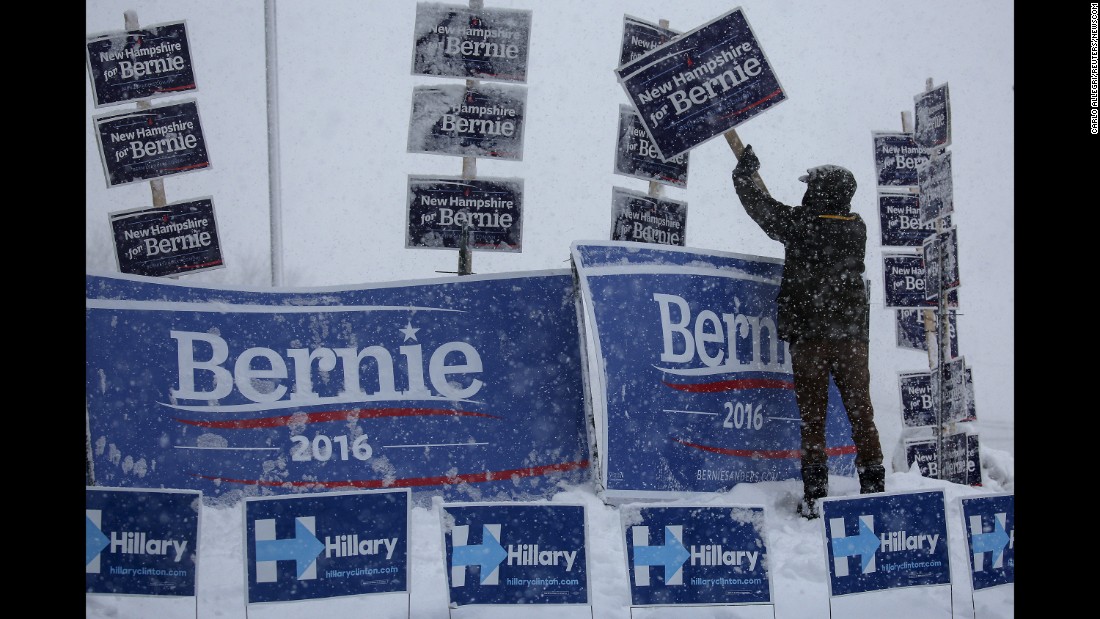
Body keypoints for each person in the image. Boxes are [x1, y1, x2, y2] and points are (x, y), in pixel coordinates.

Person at [731, 144, 885, 520]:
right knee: (861, 412)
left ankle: (816, 493)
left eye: (811, 186)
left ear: (821, 192)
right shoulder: (856, 228)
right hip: (852, 338)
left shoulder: (803, 225)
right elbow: (780, 215)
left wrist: (744, 175)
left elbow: (764, 212)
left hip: (810, 337)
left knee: (813, 417)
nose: (806, 191)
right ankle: (874, 484)